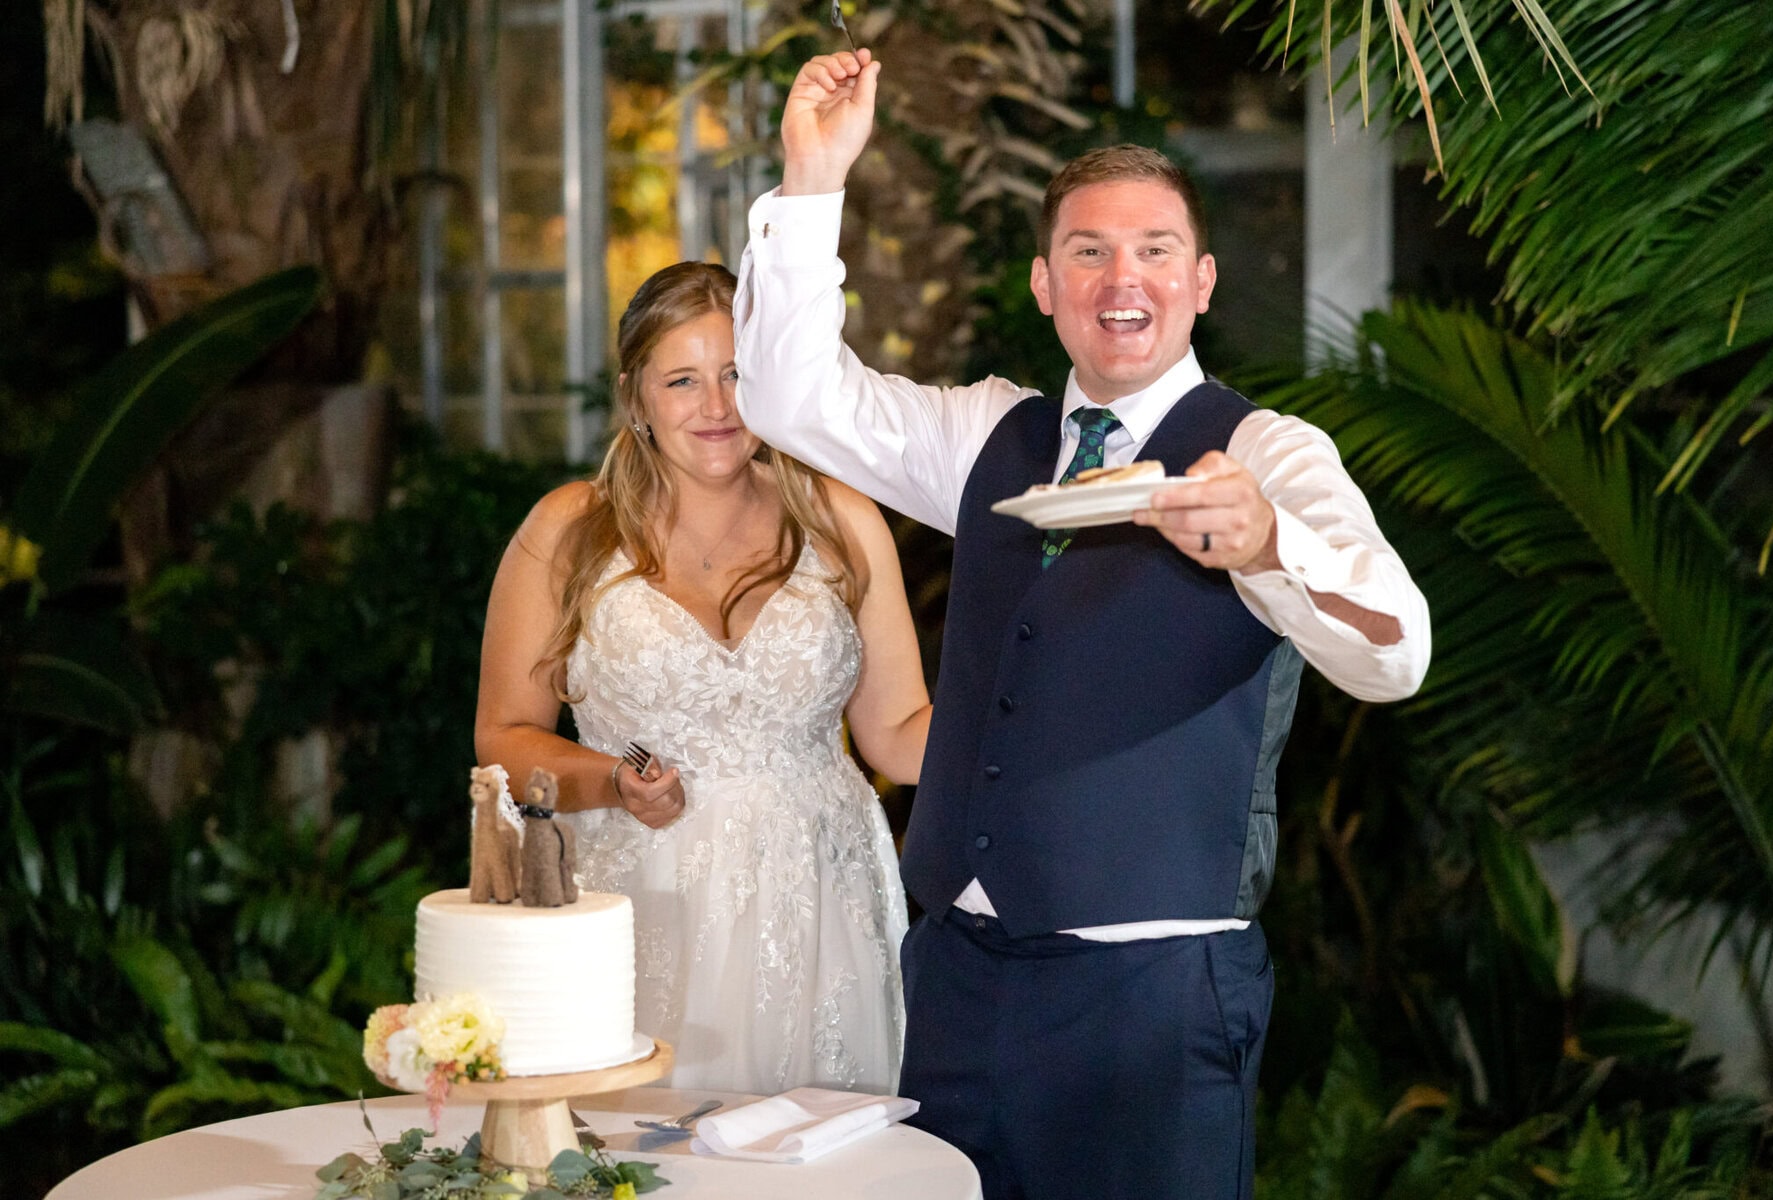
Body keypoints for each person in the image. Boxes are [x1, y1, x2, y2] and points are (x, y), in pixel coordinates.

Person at [733, 50, 1431, 1200]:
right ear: (1045, 284)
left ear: (1202, 280)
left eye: (1155, 250)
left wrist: (1269, 545)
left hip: (1151, 1001)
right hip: (958, 982)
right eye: (1088, 252)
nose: (1123, 279)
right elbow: (788, 399)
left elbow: (1397, 649)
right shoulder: (985, 434)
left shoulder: (1265, 452)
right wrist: (814, 178)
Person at [474, 260, 931, 1096]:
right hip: (642, 898)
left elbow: (900, 736)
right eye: (682, 380)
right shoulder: (569, 530)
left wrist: (1047, 703)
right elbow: (504, 738)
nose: (716, 406)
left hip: (820, 903)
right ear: (635, 397)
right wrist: (613, 781)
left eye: (737, 375)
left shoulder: (842, 520)